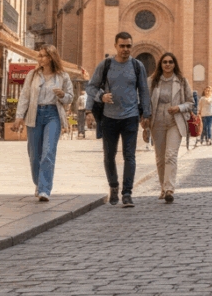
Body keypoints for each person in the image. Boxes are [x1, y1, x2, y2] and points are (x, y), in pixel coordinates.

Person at [86, 32, 151, 208]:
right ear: (115, 46)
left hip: (131, 117)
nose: (125, 49)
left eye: (128, 46)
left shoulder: (137, 66)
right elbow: (90, 87)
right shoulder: (106, 64)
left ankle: (127, 193)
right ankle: (114, 186)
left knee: (130, 156)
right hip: (109, 118)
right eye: (122, 46)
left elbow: (144, 91)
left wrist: (146, 115)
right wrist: (101, 96)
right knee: (109, 156)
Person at [13, 45, 74, 202]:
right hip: (34, 115)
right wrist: (19, 116)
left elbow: (70, 97)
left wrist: (62, 95)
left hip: (53, 115)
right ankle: (39, 183)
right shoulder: (32, 75)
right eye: (39, 55)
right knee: (34, 155)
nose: (39, 58)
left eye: (43, 56)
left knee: (48, 152)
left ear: (51, 58)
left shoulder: (63, 76)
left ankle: (44, 189)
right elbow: (24, 96)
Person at [148, 53, 195, 203]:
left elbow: (191, 102)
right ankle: (163, 187)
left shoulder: (181, 81)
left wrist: (179, 107)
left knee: (171, 155)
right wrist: (144, 118)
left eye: (170, 62)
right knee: (160, 158)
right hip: (157, 122)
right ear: (160, 64)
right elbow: (145, 102)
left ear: (174, 64)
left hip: (175, 121)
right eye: (164, 62)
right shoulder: (152, 81)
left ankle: (169, 189)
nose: (167, 64)